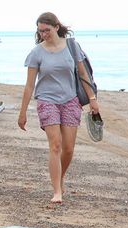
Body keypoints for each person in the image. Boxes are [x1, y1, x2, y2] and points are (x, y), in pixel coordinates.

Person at [17, 12, 100, 204]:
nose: (44, 34)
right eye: (40, 31)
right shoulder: (36, 52)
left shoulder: (72, 46)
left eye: (47, 30)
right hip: (47, 100)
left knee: (68, 149)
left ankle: (60, 177)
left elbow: (83, 74)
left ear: (56, 27)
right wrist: (22, 113)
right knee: (55, 145)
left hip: (70, 100)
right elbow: (29, 85)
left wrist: (92, 99)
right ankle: (57, 191)